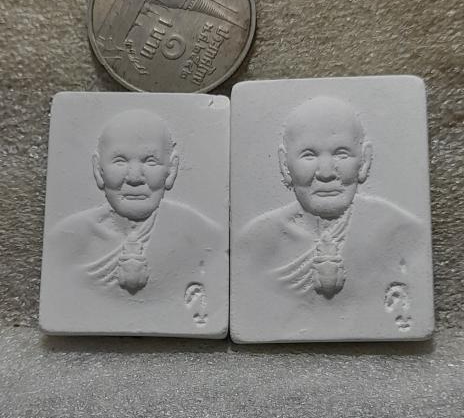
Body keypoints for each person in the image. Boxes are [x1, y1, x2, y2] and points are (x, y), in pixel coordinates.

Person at [232, 96, 429, 340]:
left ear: (364, 160)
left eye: (341, 154)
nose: (325, 173)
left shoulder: (400, 234)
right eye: (309, 155)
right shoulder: (256, 242)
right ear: (285, 164)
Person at [44, 109, 224, 332]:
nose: (134, 177)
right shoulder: (66, 241)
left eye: (150, 161)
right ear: (98, 170)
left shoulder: (203, 237)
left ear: (172, 170)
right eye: (120, 161)